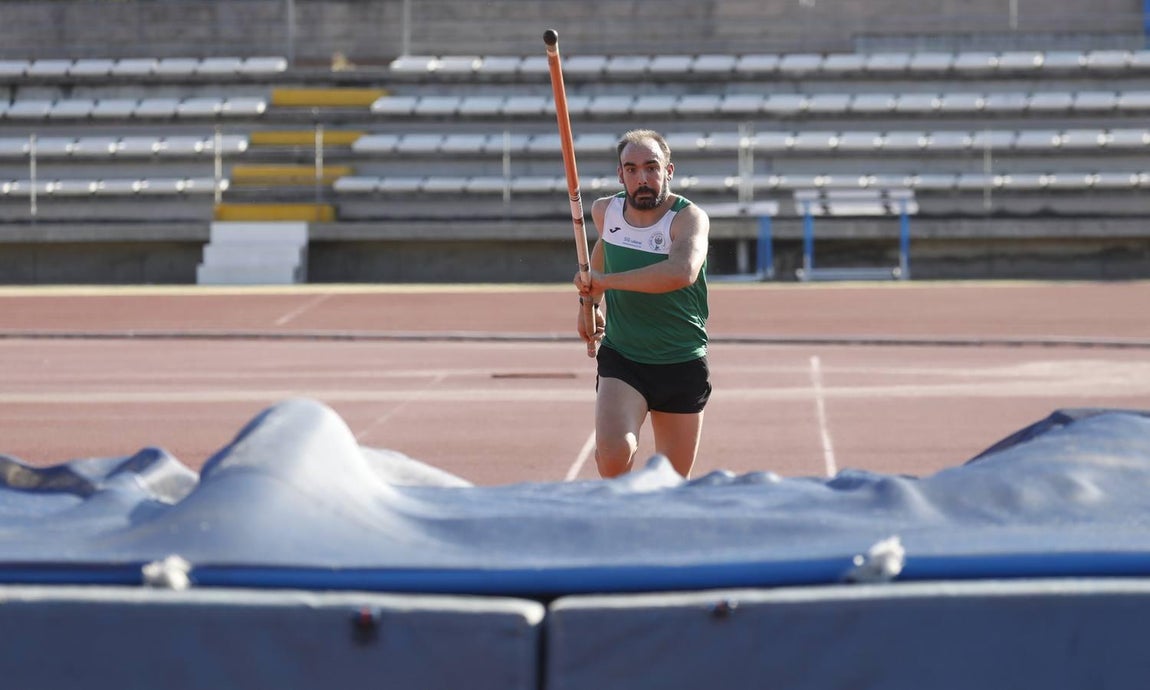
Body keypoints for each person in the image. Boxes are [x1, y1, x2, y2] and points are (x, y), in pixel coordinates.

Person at [574, 129, 711, 479]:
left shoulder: (687, 218)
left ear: (668, 170)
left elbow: (681, 272)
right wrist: (589, 301)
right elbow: (601, 254)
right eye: (632, 169)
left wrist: (606, 282)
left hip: (680, 360)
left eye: (651, 167)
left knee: (671, 480)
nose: (642, 178)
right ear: (621, 175)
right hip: (624, 357)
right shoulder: (605, 211)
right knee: (613, 456)